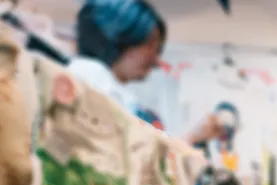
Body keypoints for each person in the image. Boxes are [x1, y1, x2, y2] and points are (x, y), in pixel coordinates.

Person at [68, 0, 220, 144]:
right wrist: (191, 137)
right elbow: (132, 160)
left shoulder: (103, 84)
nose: (155, 59)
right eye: (150, 45)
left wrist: (192, 137)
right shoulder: (91, 77)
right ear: (119, 36)